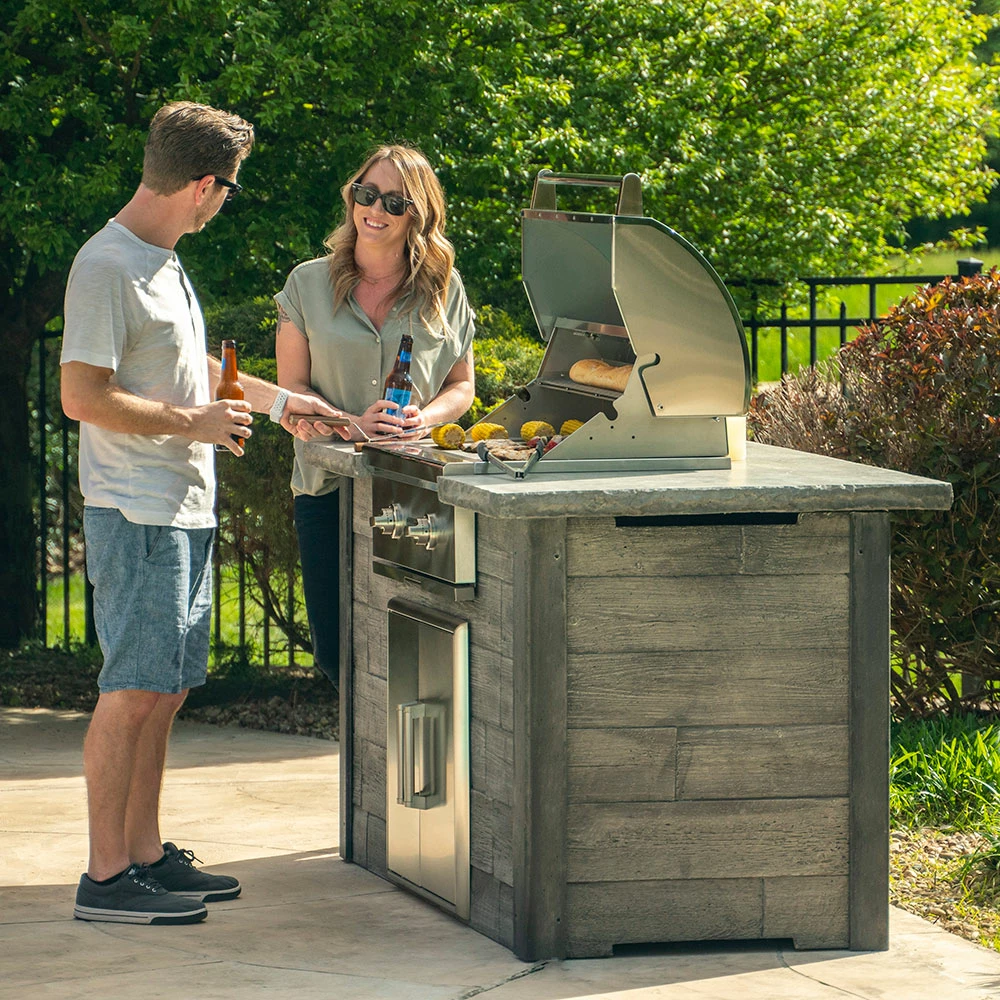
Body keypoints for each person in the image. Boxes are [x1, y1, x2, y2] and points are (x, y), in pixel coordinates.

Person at [60, 101, 348, 926]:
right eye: (228, 189)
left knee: (167, 690)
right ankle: (105, 878)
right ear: (201, 185)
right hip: (138, 511)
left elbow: (199, 382)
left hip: (183, 508)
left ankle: (145, 854)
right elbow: (82, 396)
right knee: (132, 689)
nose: (225, 202)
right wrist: (195, 426)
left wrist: (295, 403)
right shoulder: (107, 265)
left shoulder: (165, 261)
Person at [275, 145, 476, 686]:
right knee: (338, 653)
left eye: (393, 201)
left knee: (411, 653)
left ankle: (405, 770)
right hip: (327, 489)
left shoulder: (443, 289)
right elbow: (291, 389)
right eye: (366, 194)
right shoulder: (307, 284)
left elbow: (461, 388)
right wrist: (350, 423)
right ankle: (365, 770)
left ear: (418, 213)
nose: (375, 210)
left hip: (415, 491)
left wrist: (424, 419)